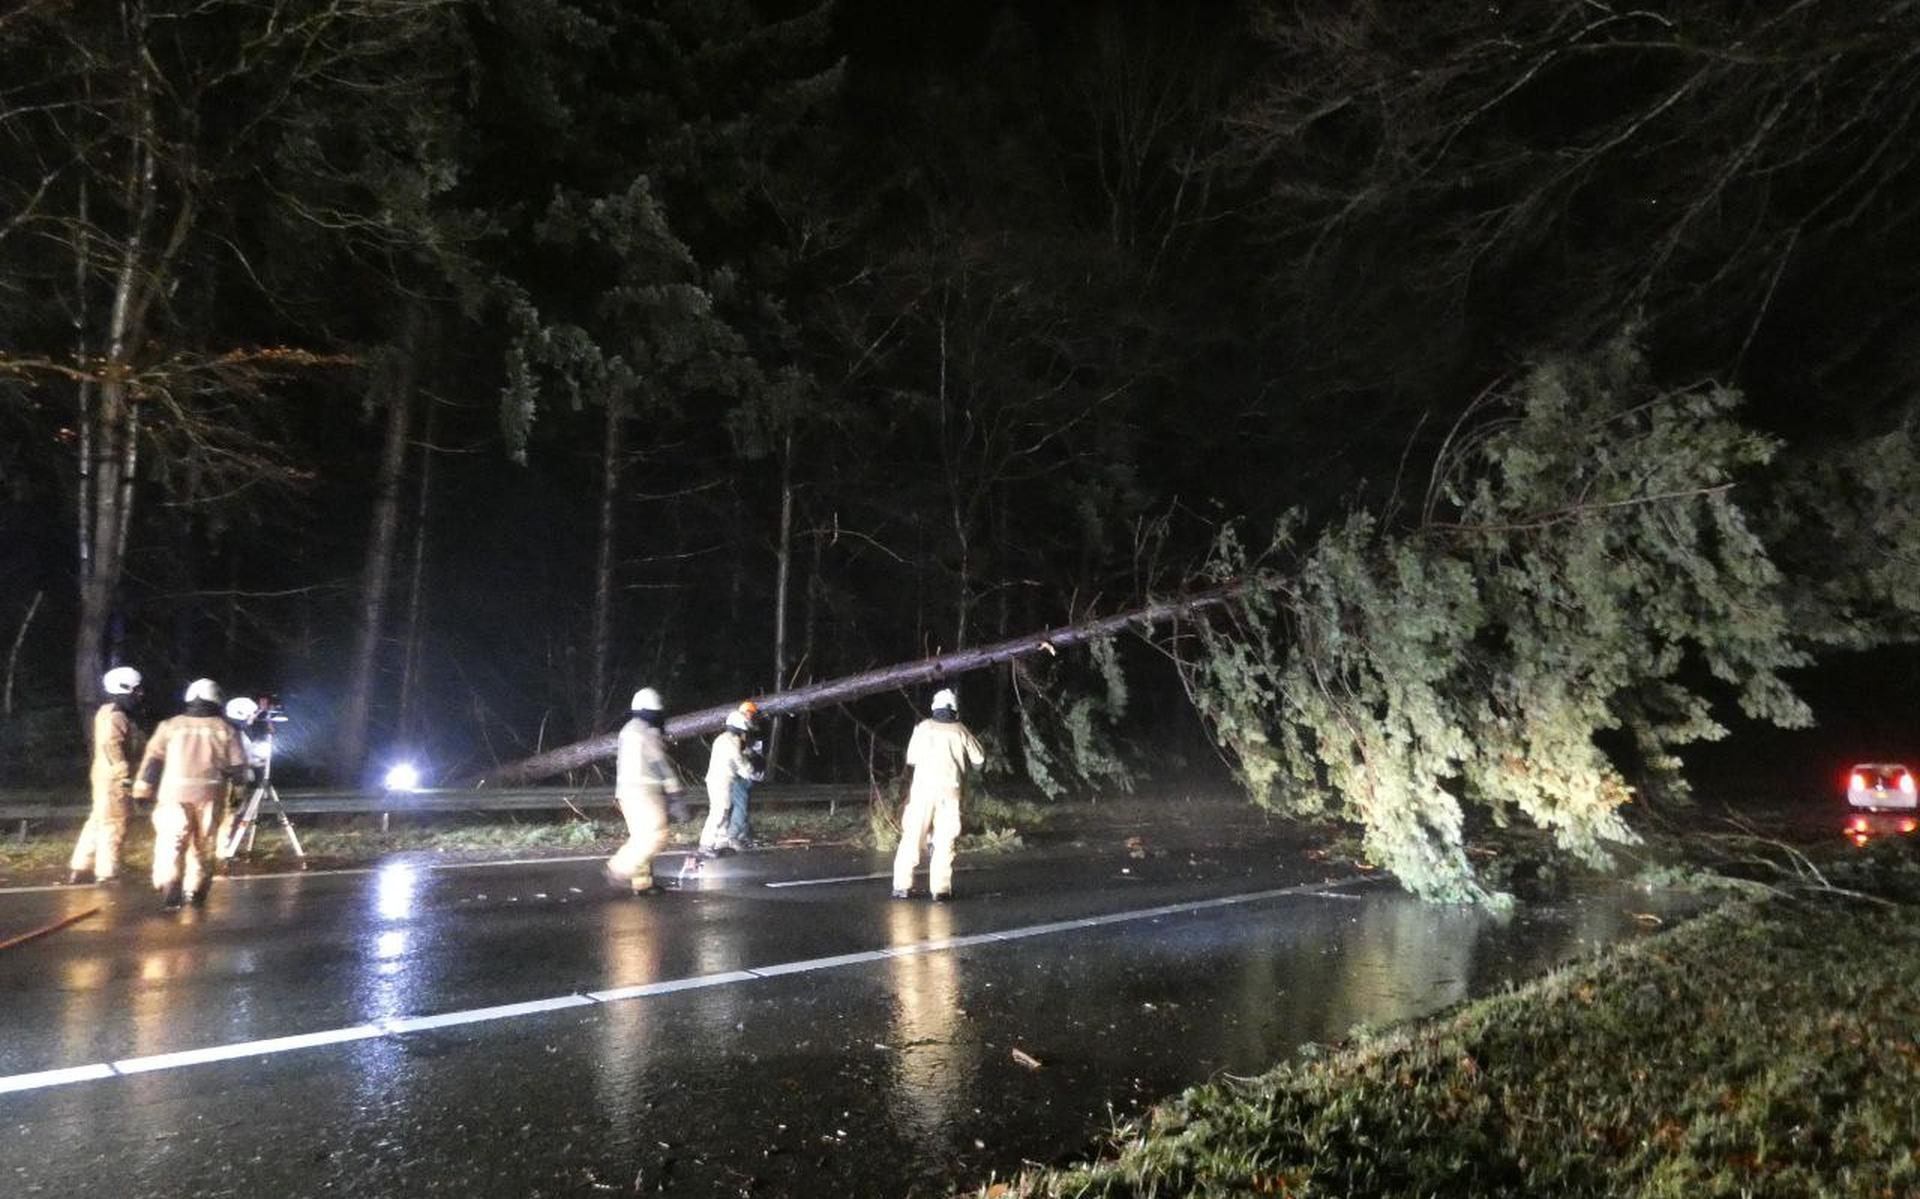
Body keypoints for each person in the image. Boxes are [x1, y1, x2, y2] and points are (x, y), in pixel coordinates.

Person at [132, 678, 247, 909]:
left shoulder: (170, 726)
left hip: (172, 796)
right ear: (217, 700)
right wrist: (237, 799)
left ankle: (170, 887)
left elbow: (153, 761)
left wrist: (142, 792)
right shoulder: (225, 729)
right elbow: (238, 770)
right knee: (202, 845)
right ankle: (195, 892)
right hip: (209, 797)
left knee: (170, 842)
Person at [891, 688, 984, 902]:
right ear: (955, 710)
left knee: (912, 835)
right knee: (944, 840)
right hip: (949, 792)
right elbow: (979, 759)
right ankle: (940, 889)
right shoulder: (961, 731)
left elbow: (911, 758)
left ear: (934, 707)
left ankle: (901, 886)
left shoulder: (923, 728)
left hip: (922, 790)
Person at [67, 665, 146, 886]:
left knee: (97, 820)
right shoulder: (117, 715)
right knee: (115, 823)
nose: (140, 694)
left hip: (102, 774)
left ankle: (81, 866)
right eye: (136, 690)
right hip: (113, 778)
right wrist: (125, 775)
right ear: (125, 688)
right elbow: (113, 745)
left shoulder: (106, 711)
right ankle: (107, 872)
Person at [606, 686, 685, 894]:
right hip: (643, 792)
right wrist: (675, 794)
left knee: (640, 837)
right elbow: (660, 764)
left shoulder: (628, 729)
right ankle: (618, 868)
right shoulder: (645, 731)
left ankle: (642, 884)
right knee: (655, 836)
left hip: (626, 793)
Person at [700, 701, 764, 856]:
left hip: (721, 780)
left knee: (724, 811)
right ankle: (706, 845)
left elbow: (735, 760)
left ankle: (720, 843)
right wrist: (752, 772)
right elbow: (739, 761)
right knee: (718, 812)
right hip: (720, 781)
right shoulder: (732, 740)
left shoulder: (723, 738)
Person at [214, 696, 269, 861]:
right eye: (251, 714)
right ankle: (222, 852)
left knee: (226, 816)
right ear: (241, 714)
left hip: (226, 780)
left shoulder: (226, 730)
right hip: (232, 782)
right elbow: (242, 758)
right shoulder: (235, 733)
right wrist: (259, 759)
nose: (253, 718)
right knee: (229, 816)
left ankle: (220, 849)